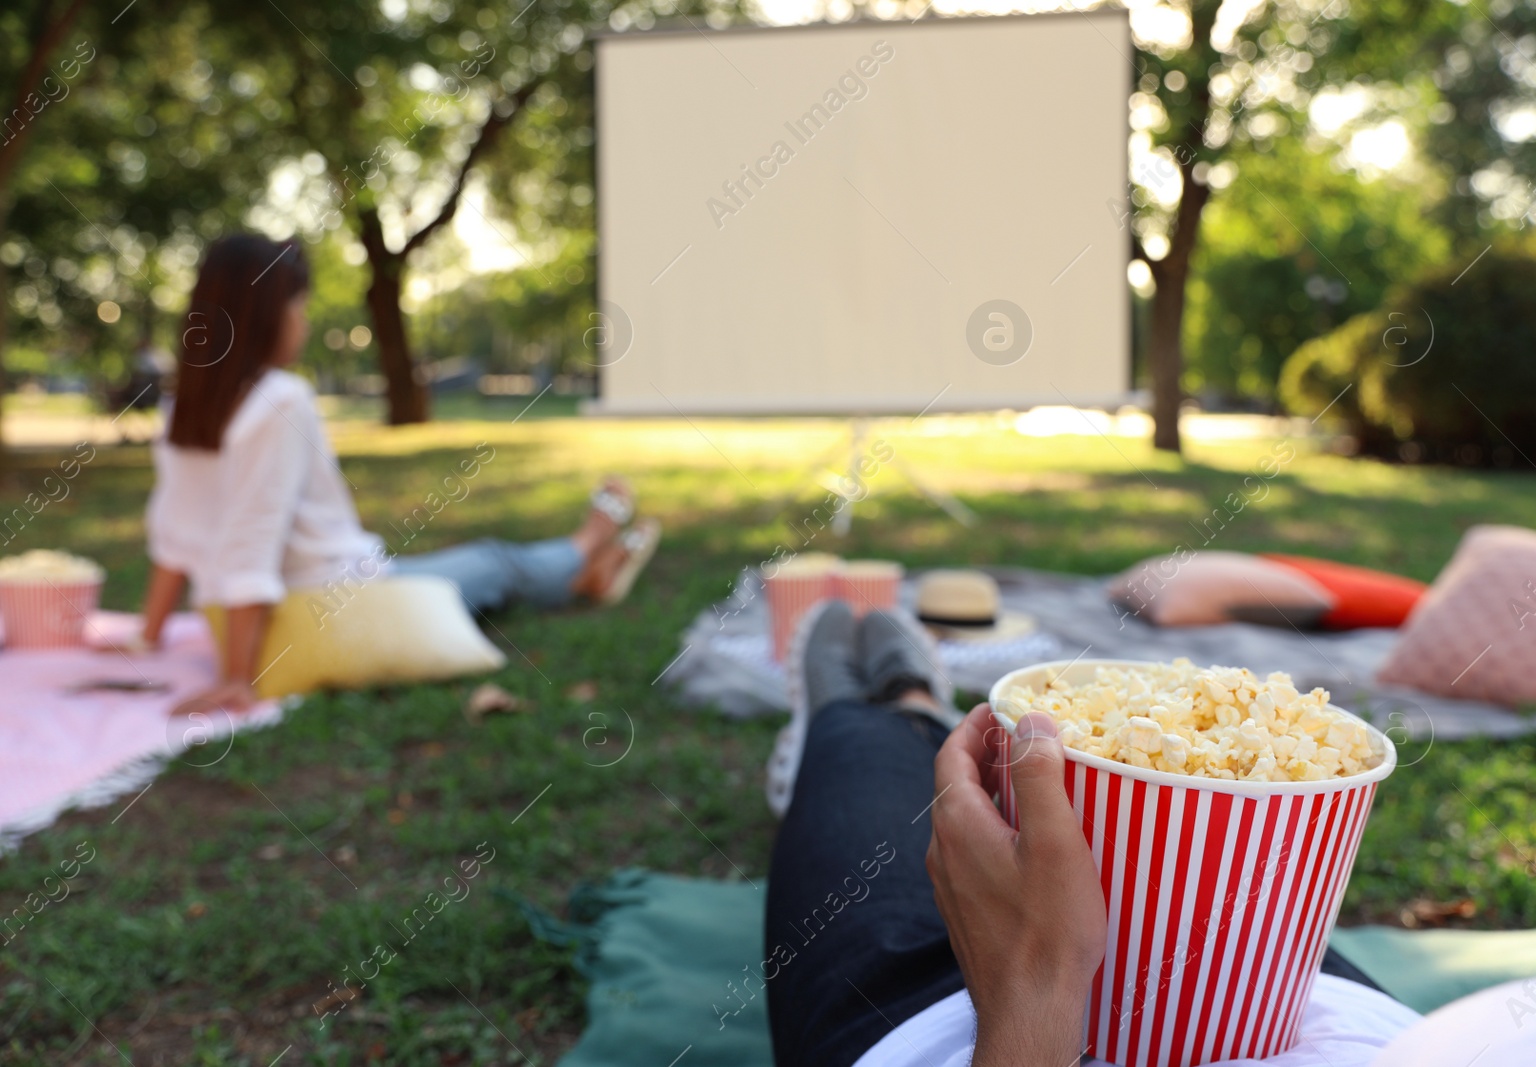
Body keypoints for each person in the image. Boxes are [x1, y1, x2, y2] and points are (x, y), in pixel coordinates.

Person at [765, 602, 1422, 1067]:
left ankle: (886, 707)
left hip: (947, 1020)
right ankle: (916, 706)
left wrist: (1033, 1000)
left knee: (858, 752)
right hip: (1285, 976)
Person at [131, 233, 658, 717]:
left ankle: (586, 571)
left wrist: (150, 635)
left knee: (481, 573)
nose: (304, 321)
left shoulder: (183, 411)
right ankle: (591, 538)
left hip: (239, 622)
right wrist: (238, 680)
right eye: (298, 306)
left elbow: (176, 532)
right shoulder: (282, 400)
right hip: (339, 600)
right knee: (495, 563)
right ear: (266, 315)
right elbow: (253, 538)